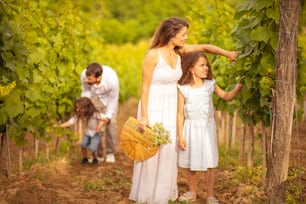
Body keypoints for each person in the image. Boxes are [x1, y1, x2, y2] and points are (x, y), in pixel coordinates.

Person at [129, 17, 240, 204]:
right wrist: (145, 116)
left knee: (169, 148)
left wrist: (226, 53)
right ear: (171, 34)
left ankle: (163, 194)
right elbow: (145, 87)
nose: (186, 38)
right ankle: (148, 194)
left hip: (172, 105)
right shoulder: (152, 55)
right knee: (152, 147)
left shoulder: (180, 52)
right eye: (183, 34)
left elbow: (204, 48)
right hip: (154, 105)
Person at [177, 52, 243, 203]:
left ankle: (210, 195)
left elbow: (226, 96)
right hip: (191, 128)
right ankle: (192, 192)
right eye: (202, 65)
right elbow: (180, 114)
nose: (206, 68)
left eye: (206, 65)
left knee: (210, 162)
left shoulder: (210, 84)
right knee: (191, 163)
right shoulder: (183, 88)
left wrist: (238, 88)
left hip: (207, 128)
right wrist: (180, 136)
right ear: (191, 69)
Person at [81, 62, 119, 163]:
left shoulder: (112, 81)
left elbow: (112, 102)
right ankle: (100, 153)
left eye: (89, 79)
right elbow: (85, 91)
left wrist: (106, 118)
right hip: (94, 99)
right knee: (95, 125)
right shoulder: (85, 75)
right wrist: (87, 107)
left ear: (98, 78)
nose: (86, 80)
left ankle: (110, 152)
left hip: (109, 101)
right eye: (86, 77)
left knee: (111, 125)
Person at [59, 97, 108, 165]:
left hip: (97, 132)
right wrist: (61, 126)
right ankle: (85, 158)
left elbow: (106, 119)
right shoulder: (79, 114)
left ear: (87, 108)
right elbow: (71, 121)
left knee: (92, 148)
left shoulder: (95, 114)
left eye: (80, 108)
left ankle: (95, 159)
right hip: (87, 132)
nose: (77, 109)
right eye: (76, 107)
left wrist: (100, 124)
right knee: (83, 145)